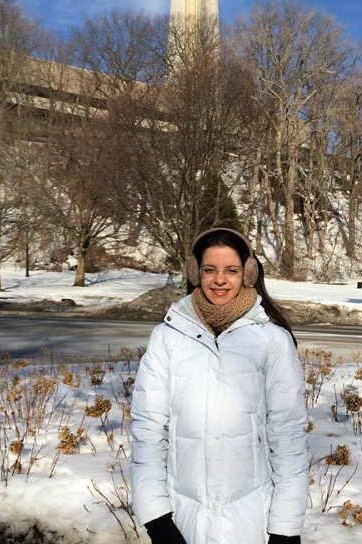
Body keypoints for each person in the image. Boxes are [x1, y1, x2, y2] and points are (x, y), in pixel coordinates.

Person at [131, 227, 308, 544]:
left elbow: (287, 437)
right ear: (195, 272)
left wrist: (285, 528)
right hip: (184, 522)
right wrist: (157, 519)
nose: (220, 280)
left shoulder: (271, 340)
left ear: (248, 273)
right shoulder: (167, 338)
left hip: (252, 523)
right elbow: (148, 430)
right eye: (210, 269)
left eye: (231, 270)